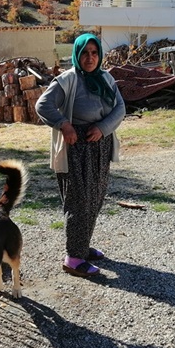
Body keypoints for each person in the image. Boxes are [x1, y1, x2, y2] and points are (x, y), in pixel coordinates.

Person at [36, 33, 126, 278]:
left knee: (95, 197)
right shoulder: (67, 80)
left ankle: (82, 247)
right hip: (75, 146)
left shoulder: (106, 79)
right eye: (85, 53)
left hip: (99, 144)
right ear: (77, 54)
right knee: (78, 201)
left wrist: (103, 128)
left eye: (94, 53)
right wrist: (64, 125)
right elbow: (42, 105)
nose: (90, 58)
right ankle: (73, 258)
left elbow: (120, 108)